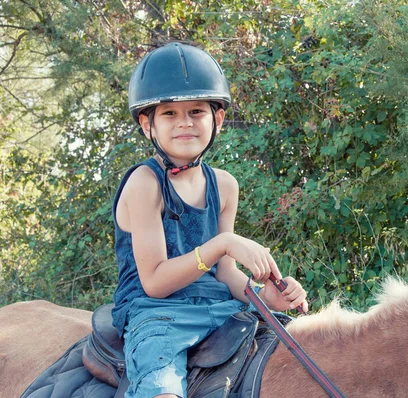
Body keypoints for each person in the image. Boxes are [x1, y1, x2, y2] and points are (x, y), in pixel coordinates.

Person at [111, 42, 308, 398]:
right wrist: (221, 244)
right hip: (156, 315)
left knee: (306, 355)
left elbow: (226, 274)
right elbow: (155, 282)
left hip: (219, 308)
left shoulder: (225, 185)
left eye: (196, 111)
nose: (184, 122)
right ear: (147, 124)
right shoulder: (145, 183)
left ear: (216, 119)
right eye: (169, 113)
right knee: (163, 393)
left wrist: (262, 296)